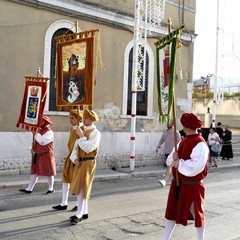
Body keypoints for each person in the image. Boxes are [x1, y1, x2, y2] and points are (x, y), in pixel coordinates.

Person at [162, 113, 209, 240]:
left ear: (186, 126)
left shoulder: (200, 143)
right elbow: (169, 161)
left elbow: (195, 167)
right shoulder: (182, 141)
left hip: (192, 186)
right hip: (178, 184)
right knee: (171, 214)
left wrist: (179, 163)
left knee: (198, 215)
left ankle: (201, 239)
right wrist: (174, 158)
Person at [69, 109, 101, 225]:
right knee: (80, 187)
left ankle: (79, 214)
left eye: (86, 118)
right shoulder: (81, 130)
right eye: (84, 117)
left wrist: (81, 136)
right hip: (80, 163)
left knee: (82, 188)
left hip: (89, 162)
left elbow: (89, 148)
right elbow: (76, 148)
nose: (84, 119)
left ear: (92, 119)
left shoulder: (96, 133)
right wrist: (75, 159)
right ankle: (84, 212)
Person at [52, 109, 83, 211]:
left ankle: (80, 205)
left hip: (78, 159)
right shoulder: (72, 129)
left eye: (72, 118)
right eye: (69, 118)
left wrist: (76, 158)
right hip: (71, 157)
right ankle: (63, 203)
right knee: (66, 180)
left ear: (78, 118)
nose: (70, 120)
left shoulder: (82, 129)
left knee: (78, 182)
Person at [19, 116, 56, 194]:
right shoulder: (39, 131)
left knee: (49, 172)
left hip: (46, 155)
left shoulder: (49, 132)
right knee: (34, 172)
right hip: (38, 155)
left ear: (46, 123)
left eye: (42, 121)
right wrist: (31, 148)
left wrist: (36, 133)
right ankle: (29, 188)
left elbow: (42, 141)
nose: (40, 123)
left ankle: (51, 188)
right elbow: (36, 142)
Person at [156, 121, 181, 187]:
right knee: (171, 167)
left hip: (174, 152)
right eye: (167, 123)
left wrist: (178, 151)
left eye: (169, 123)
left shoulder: (176, 132)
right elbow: (161, 141)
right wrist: (158, 147)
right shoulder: (165, 133)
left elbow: (180, 142)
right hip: (167, 152)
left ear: (172, 124)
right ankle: (175, 180)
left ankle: (164, 181)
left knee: (169, 166)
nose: (167, 124)